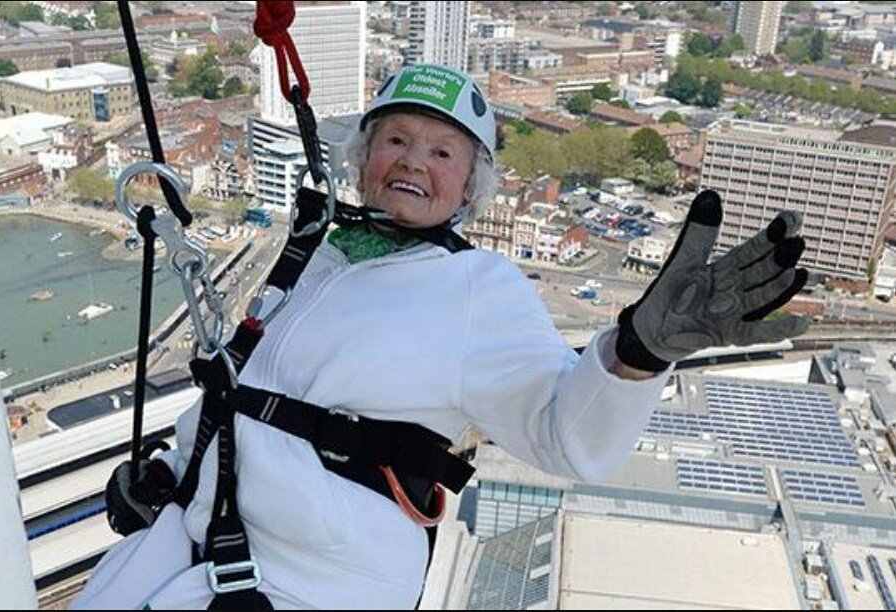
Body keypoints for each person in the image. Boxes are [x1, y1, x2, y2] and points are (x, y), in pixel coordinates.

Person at [72, 64, 809, 610]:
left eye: (443, 152)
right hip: (195, 539)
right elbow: (248, 389)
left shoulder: (479, 290)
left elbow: (565, 436)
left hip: (313, 584)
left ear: (471, 188)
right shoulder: (319, 250)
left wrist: (635, 355)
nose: (414, 161)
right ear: (362, 161)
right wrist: (171, 467)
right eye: (396, 139)